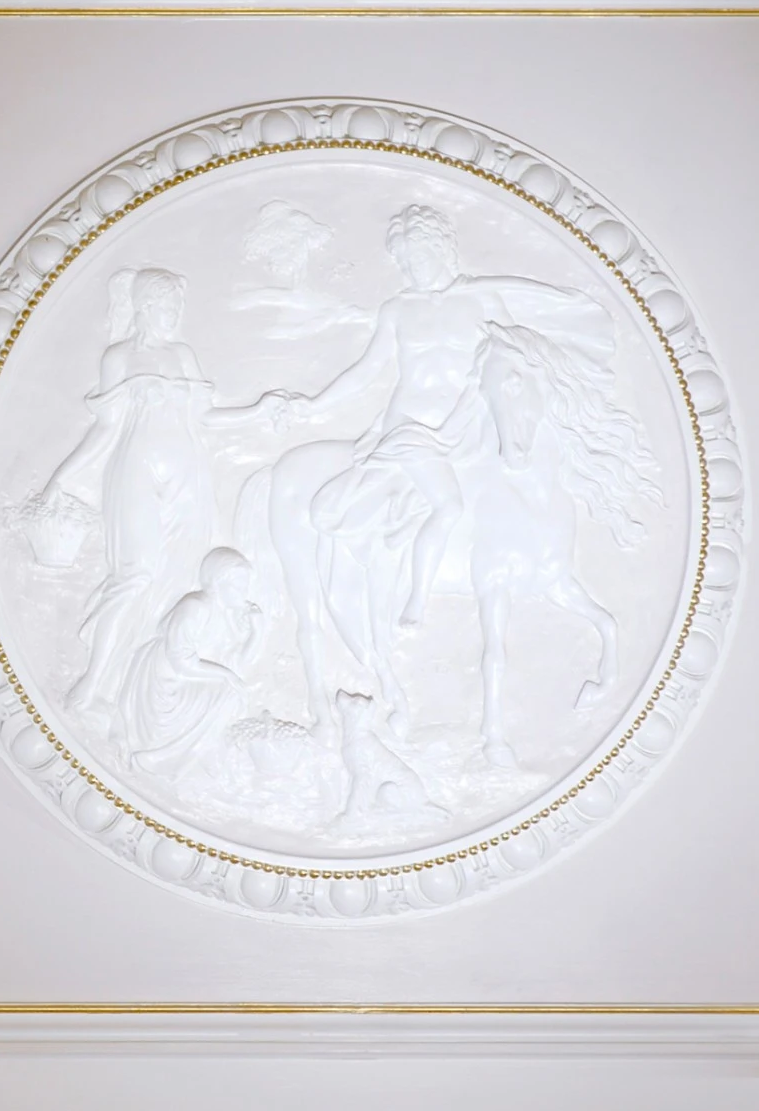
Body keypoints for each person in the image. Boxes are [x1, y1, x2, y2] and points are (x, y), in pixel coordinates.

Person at [282, 204, 612, 629]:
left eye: (415, 257)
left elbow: (518, 351)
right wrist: (314, 405)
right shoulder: (398, 310)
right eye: (403, 261)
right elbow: (366, 372)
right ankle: (415, 599)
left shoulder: (483, 300)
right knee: (449, 505)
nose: (409, 268)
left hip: (469, 425)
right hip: (411, 428)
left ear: (440, 248)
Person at [38, 269, 281, 723]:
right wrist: (61, 478)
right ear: (145, 305)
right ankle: (91, 685)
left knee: (175, 580)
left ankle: (138, 695)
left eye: (177, 307)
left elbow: (205, 419)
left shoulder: (182, 355)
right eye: (166, 306)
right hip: (134, 472)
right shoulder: (118, 358)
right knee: (134, 577)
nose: (173, 315)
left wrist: (258, 411)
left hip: (188, 477)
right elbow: (104, 429)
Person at [120, 548, 265, 773]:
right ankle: (160, 757)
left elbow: (236, 666)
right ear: (217, 583)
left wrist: (256, 634)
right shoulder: (195, 606)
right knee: (229, 694)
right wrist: (226, 675)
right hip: (162, 687)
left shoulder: (225, 615)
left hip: (189, 679)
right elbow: (181, 662)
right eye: (239, 585)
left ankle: (188, 755)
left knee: (233, 694)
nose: (244, 592)